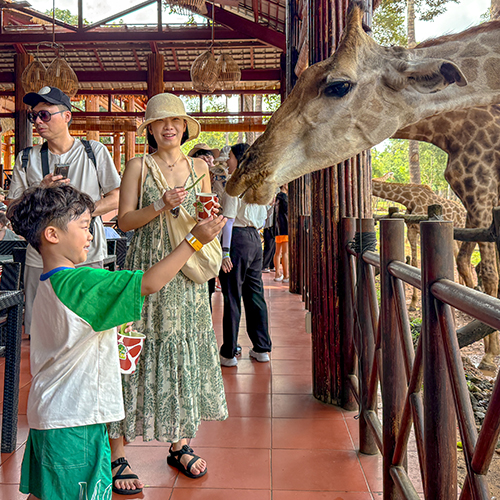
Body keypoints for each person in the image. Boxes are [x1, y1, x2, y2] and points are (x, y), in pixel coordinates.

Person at [8, 184, 225, 500]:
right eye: (84, 226)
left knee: (47, 494)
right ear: (52, 235)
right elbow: (149, 283)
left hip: (53, 413)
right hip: (76, 419)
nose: (91, 235)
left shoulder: (49, 283)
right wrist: (194, 240)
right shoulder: (81, 283)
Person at [108, 93, 228, 493]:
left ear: (185, 127)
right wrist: (160, 204)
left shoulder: (199, 167)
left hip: (188, 274)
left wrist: (212, 224)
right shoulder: (138, 166)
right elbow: (125, 221)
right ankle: (117, 454)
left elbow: (203, 213)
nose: (169, 127)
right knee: (133, 351)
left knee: (183, 349)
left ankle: (179, 444)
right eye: (160, 122)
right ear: (151, 130)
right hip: (147, 268)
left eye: (175, 121)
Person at [7, 86, 121, 336]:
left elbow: (117, 197)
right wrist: (40, 189)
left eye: (45, 115)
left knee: (90, 325)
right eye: (34, 116)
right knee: (43, 329)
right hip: (41, 257)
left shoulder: (93, 152)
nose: (38, 121)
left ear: (67, 116)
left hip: (88, 253)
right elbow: (12, 209)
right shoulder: (27, 158)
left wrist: (79, 215)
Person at [219, 143, 272, 367]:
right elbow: (265, 215)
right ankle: (262, 348)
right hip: (254, 241)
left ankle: (229, 353)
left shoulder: (235, 184)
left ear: (239, 159)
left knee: (232, 296)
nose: (227, 161)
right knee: (255, 294)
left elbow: (228, 221)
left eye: (230, 157)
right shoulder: (259, 183)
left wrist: (225, 252)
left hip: (237, 240)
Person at [273, 185, 289, 283]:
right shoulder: (284, 197)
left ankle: (277, 274)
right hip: (285, 227)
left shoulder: (277, 197)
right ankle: (286, 275)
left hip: (277, 228)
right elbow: (287, 211)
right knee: (285, 252)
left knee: (278, 252)